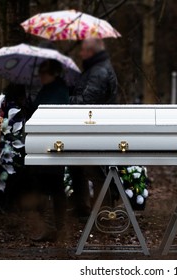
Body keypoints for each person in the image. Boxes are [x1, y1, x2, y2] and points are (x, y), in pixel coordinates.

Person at [69, 38, 118, 218]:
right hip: (92, 126)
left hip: (95, 127)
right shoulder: (95, 68)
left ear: (91, 52)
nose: (81, 54)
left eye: (83, 50)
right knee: (78, 166)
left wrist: (62, 101)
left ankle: (104, 213)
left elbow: (86, 102)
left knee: (93, 169)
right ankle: (83, 208)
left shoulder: (99, 71)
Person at [29, 59, 69, 242]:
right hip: (43, 141)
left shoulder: (59, 90)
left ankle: (56, 227)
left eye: (43, 73)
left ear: (52, 73)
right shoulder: (47, 89)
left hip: (52, 142)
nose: (40, 76)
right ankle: (51, 227)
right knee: (46, 184)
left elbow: (51, 113)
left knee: (53, 185)